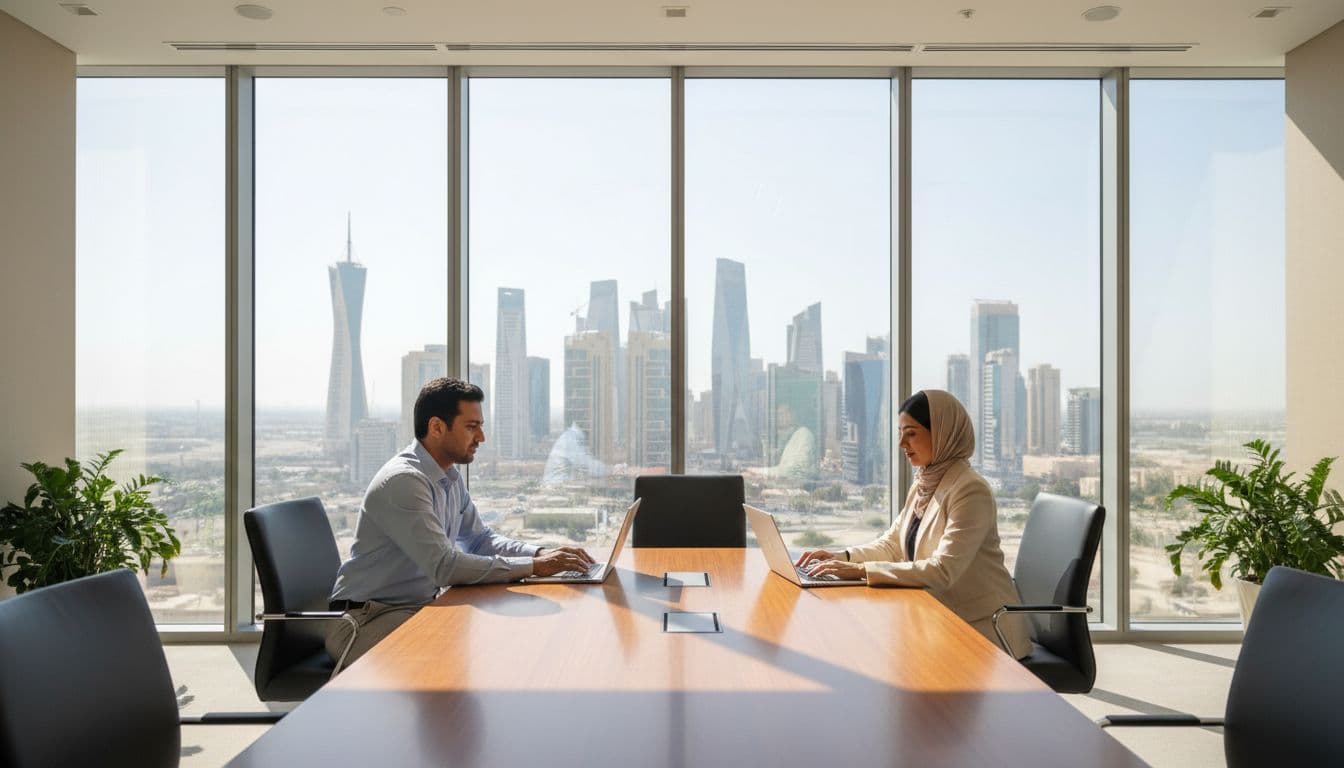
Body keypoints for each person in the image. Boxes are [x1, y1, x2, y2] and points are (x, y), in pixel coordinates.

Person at [326, 377, 596, 666]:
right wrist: (534, 567)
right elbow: (445, 567)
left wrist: (541, 554)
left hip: (413, 608)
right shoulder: (404, 481)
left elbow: (480, 540)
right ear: (437, 427)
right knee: (481, 650)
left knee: (499, 637)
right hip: (364, 620)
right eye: (471, 426)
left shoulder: (449, 478)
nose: (481, 437)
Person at [795, 388, 1031, 658]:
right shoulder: (924, 482)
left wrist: (860, 571)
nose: (901, 444)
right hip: (937, 618)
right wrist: (842, 557)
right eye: (900, 433)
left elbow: (943, 570)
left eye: (911, 433)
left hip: (982, 631)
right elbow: (892, 544)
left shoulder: (970, 490)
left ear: (941, 433)